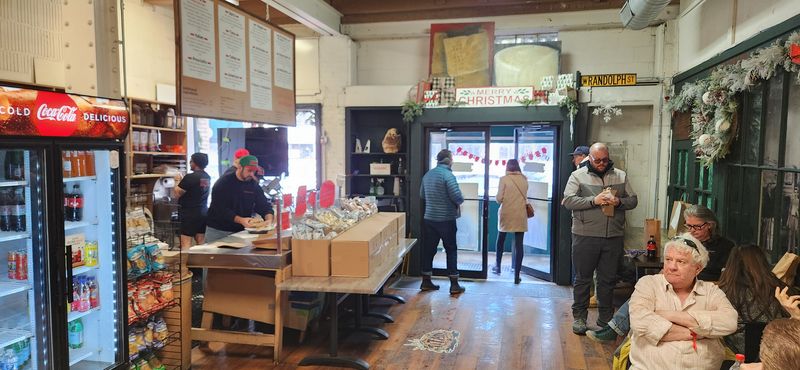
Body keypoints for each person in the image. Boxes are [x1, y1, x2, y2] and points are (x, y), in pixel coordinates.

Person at [587, 204, 734, 342]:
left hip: (700, 285)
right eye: (688, 226)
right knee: (645, 289)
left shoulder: (725, 247)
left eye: (696, 227)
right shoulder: (685, 241)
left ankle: (616, 328)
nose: (691, 231)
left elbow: (726, 279)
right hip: (674, 282)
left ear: (709, 225)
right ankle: (617, 329)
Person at [628, 234, 737, 370]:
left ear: (698, 268)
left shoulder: (710, 291)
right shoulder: (648, 284)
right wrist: (700, 333)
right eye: (668, 259)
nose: (672, 267)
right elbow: (640, 321)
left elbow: (730, 321)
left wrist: (668, 315)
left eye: (681, 262)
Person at [563, 142, 638, 335]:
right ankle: (579, 318)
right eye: (598, 160)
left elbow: (633, 200)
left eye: (605, 160)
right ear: (590, 158)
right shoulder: (577, 176)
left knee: (607, 280)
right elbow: (568, 201)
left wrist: (619, 201)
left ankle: (606, 320)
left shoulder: (620, 175)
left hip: (613, 236)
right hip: (584, 236)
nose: (602, 163)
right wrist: (593, 201)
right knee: (582, 279)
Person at [717, 245, 793, 355]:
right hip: (778, 356)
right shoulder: (783, 291)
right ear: (763, 263)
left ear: (731, 265)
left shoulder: (721, 294)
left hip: (734, 357)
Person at [420, 149, 465, 295]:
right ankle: (454, 284)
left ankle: (426, 281)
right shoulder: (448, 175)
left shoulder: (428, 175)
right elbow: (457, 197)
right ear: (449, 160)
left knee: (429, 250)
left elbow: (422, 195)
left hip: (429, 219)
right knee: (451, 250)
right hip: (446, 219)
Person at [205, 155, 274, 242]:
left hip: (240, 232)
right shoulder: (224, 182)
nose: (252, 174)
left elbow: (263, 205)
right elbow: (220, 208)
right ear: (240, 167)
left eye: (254, 171)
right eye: (249, 171)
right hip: (219, 230)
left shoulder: (253, 184)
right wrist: (241, 220)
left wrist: (269, 220)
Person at [492, 159, 528, 284]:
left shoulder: (504, 179)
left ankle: (497, 267)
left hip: (506, 213)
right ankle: (516, 276)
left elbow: (498, 199)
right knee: (519, 245)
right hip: (520, 214)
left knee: (500, 240)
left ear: (507, 167)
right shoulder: (524, 179)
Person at [173, 153, 211, 249]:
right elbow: (197, 189)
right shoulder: (206, 176)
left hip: (189, 215)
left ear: (195, 163)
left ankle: (185, 264)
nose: (190, 163)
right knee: (201, 241)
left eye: (191, 161)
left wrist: (177, 181)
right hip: (202, 213)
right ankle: (201, 263)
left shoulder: (190, 177)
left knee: (185, 243)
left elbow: (177, 194)